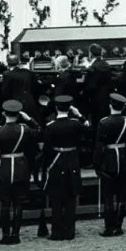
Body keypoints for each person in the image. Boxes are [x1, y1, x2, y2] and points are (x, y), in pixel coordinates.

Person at [0, 99, 41, 244]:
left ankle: (5, 235)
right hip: (21, 167)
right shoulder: (24, 129)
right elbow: (38, 130)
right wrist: (29, 119)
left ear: (4, 114)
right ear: (19, 114)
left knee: (5, 204)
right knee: (18, 203)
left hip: (4, 168)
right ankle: (16, 235)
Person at [43, 96, 90, 240]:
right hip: (72, 161)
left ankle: (57, 232)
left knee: (57, 198)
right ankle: (70, 231)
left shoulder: (50, 125)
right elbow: (88, 128)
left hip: (57, 162)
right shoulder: (75, 124)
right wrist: (80, 115)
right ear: (70, 108)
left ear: (56, 108)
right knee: (71, 197)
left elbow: (47, 149)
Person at [93, 93, 126, 236]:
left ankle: (109, 227)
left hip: (108, 160)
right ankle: (119, 226)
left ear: (110, 106)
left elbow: (98, 146)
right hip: (124, 159)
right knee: (122, 195)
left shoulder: (104, 122)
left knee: (108, 196)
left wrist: (97, 164)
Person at [83, 43, 114, 135]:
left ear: (90, 54)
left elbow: (89, 87)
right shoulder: (106, 65)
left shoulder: (92, 68)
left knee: (97, 126)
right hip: (107, 99)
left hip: (95, 100)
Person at [2, 54, 40, 121]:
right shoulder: (28, 72)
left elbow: (6, 92)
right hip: (30, 102)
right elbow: (36, 87)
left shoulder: (7, 74)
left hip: (15, 104)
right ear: (19, 62)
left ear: (7, 63)